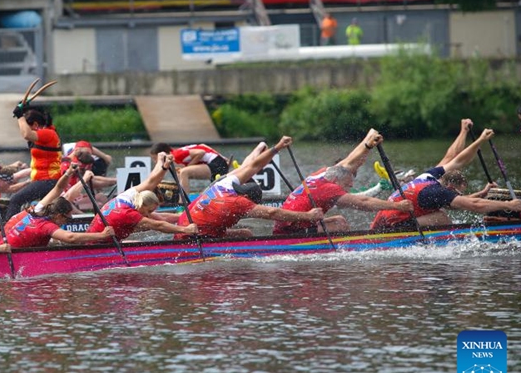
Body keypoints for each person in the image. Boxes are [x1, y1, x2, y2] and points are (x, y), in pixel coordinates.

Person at [371, 121, 521, 230]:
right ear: (449, 187)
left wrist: (465, 132)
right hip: (386, 227)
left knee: (441, 212)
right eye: (458, 192)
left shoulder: (429, 177)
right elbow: (473, 205)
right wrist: (509, 205)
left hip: (384, 219)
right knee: (441, 218)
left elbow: (454, 158)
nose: (458, 195)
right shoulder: (437, 192)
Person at [175, 138, 324, 240]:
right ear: (246, 199)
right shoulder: (239, 202)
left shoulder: (224, 183)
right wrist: (308, 216)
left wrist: (277, 147)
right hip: (192, 237)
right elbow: (273, 212)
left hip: (183, 227)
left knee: (245, 233)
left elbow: (252, 166)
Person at [273, 129, 414, 235]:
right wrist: (398, 206)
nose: (351, 185)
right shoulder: (329, 188)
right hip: (289, 232)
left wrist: (368, 144)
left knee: (339, 220)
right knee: (339, 225)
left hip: (290, 224)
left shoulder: (322, 174)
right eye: (347, 184)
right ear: (336, 180)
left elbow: (349, 162)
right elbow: (364, 203)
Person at [86, 152, 197, 243]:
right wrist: (186, 229)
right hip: (96, 245)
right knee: (141, 242)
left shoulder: (127, 197)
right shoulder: (128, 213)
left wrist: (163, 165)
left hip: (104, 238)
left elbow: (151, 181)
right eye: (149, 211)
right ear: (142, 205)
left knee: (139, 239)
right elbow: (158, 225)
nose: (148, 215)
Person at [3, 165, 115, 248]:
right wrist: (102, 235)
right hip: (10, 253)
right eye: (67, 218)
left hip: (4, 244)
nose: (66, 222)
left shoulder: (38, 209)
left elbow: (58, 189)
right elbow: (70, 238)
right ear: (58, 215)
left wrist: (68, 173)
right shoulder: (45, 225)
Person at [6, 107, 62, 217]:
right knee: (43, 211)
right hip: (43, 181)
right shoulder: (41, 136)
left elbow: (27, 134)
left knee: (15, 200)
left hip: (48, 181)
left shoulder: (48, 133)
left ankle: (8, 230)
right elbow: (26, 133)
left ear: (35, 125)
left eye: (28, 126)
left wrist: (20, 116)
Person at [149, 142, 229, 191]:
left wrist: (187, 167)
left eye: (155, 158)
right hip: (218, 163)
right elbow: (202, 145)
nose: (156, 161)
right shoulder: (177, 153)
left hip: (218, 165)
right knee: (181, 172)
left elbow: (201, 152)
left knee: (184, 172)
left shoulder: (176, 155)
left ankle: (183, 203)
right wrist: (221, 156)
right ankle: (183, 196)